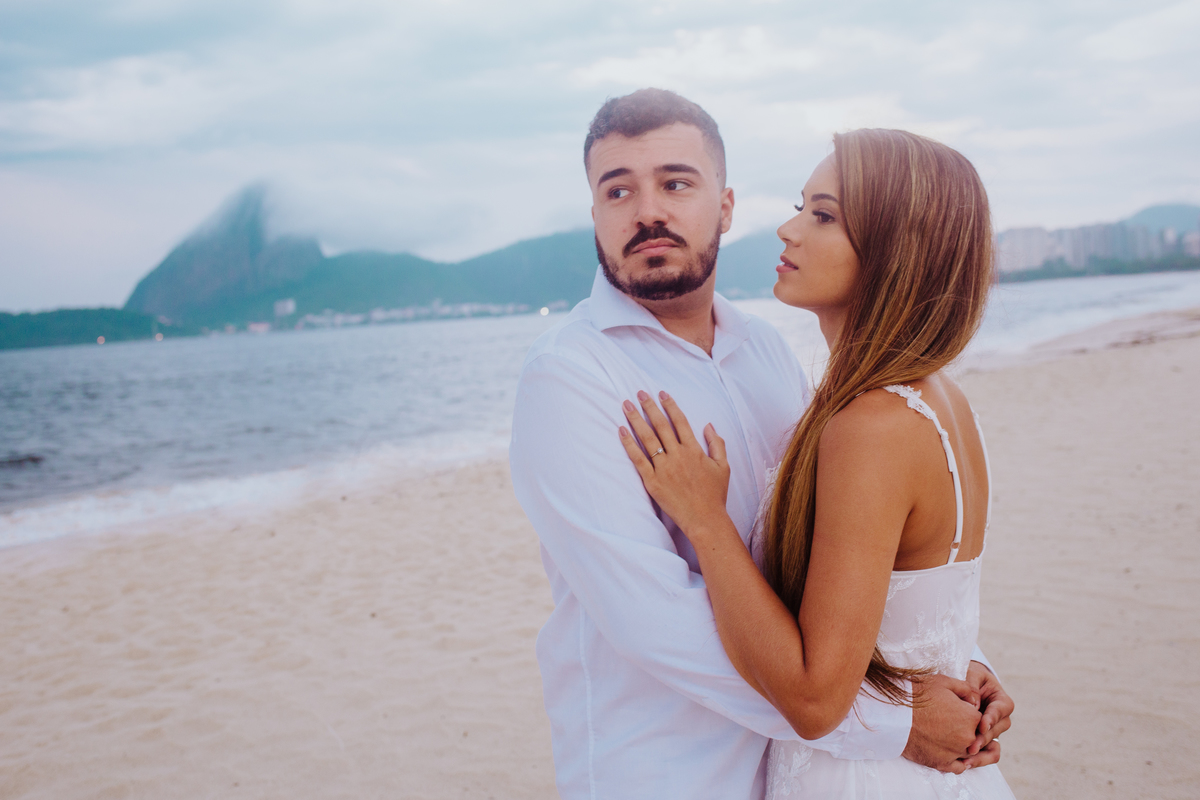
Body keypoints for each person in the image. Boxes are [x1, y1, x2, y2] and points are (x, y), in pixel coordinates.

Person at [509, 89, 1012, 799]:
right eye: (617, 190)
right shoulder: (569, 378)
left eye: (676, 183)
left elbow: (851, 551)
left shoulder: (768, 351)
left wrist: (955, 659)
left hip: (805, 762)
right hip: (670, 773)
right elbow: (656, 620)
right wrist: (895, 720)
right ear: (595, 215)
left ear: (725, 206)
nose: (647, 210)